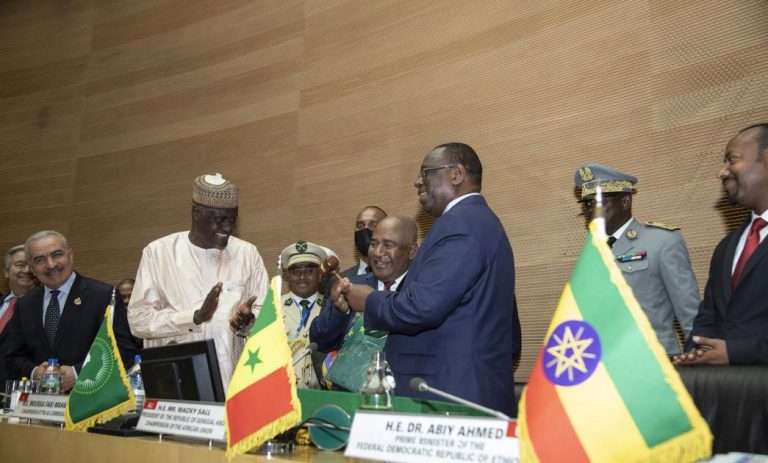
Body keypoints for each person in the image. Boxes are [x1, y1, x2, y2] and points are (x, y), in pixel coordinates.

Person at [335, 143, 520, 416]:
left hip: (451, 395)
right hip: (460, 391)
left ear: (456, 174)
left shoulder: (460, 223)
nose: (417, 181)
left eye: (426, 172)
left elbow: (423, 306)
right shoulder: (477, 221)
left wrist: (369, 300)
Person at [128, 173, 268, 389]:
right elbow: (138, 320)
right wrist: (194, 318)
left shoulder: (247, 255)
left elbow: (266, 317)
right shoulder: (159, 253)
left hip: (234, 385)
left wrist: (248, 321)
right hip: (175, 386)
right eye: (220, 219)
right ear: (196, 213)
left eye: (232, 220)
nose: (228, 228)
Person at [574, 163, 701, 355]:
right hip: (604, 361)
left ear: (625, 202)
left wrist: (699, 355)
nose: (591, 209)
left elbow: (688, 309)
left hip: (653, 358)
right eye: (588, 204)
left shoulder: (662, 241)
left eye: (598, 201)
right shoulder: (592, 251)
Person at [674, 123, 768, 365]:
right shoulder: (727, 246)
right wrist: (697, 351)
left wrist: (735, 353)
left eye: (732, 160)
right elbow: (708, 315)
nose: (722, 172)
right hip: (722, 385)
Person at [5, 231, 137, 392]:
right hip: (39, 402)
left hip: (88, 398)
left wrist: (78, 373)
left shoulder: (103, 295)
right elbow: (13, 356)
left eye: (57, 254)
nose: (51, 264)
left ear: (70, 255)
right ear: (32, 268)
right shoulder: (25, 304)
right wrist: (35, 372)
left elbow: (123, 349)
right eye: (40, 260)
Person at [312, 215, 418, 354]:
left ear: (411, 251)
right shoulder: (350, 286)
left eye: (388, 245)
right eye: (373, 244)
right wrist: (341, 312)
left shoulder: (421, 291)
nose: (378, 253)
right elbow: (319, 343)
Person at [279, 241, 327, 388]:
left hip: (322, 395)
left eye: (309, 271)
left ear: (320, 274)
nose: (302, 277)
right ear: (288, 276)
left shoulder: (333, 307)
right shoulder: (274, 307)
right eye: (296, 272)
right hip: (284, 393)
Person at [0, 245, 36, 386]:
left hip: (19, 389)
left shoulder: (46, 307)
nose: (26, 270)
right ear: (6, 271)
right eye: (20, 265)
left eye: (31, 266)